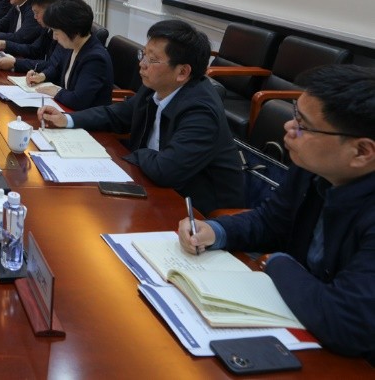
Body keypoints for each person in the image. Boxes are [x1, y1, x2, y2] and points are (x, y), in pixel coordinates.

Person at [179, 65, 375, 363]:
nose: (289, 127)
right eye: (295, 114)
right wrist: (218, 230)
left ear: (362, 152)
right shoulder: (313, 167)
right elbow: (271, 221)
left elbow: (346, 323)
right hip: (300, 318)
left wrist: (277, 262)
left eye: (304, 125)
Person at [38, 18, 243, 215]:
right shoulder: (156, 87)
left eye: (152, 60)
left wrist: (133, 154)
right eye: (143, 55)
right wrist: (67, 119)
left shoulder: (201, 112)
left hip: (197, 213)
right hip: (150, 186)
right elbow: (117, 114)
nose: (142, 65)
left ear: (182, 72)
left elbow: (166, 169)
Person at [22, 0, 113, 110]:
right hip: (66, 109)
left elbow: (78, 100)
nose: (54, 37)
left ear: (73, 30)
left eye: (56, 31)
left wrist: (56, 91)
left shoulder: (95, 59)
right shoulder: (72, 44)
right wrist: (42, 76)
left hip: (84, 117)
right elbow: (56, 68)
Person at [0, 0, 62, 72]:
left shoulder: (62, 33)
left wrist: (15, 63)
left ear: (50, 10)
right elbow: (34, 49)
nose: (35, 17)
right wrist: (4, 44)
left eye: (37, 12)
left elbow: (51, 65)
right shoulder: (47, 28)